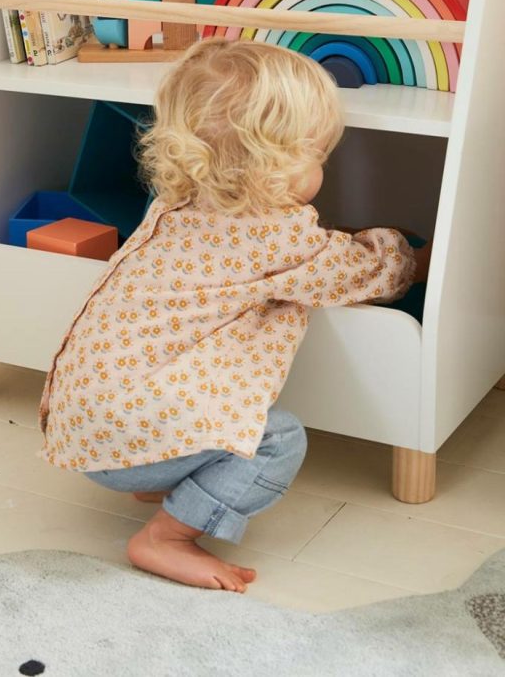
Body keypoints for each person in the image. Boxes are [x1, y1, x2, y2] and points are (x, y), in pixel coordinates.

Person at [39, 39, 429, 591]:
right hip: (126, 440)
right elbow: (363, 271)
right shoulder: (275, 236)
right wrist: (410, 255)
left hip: (83, 426)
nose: (323, 165)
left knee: (185, 397)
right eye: (318, 155)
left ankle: (164, 469)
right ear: (276, 166)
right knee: (278, 441)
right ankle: (166, 536)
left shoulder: (173, 203)